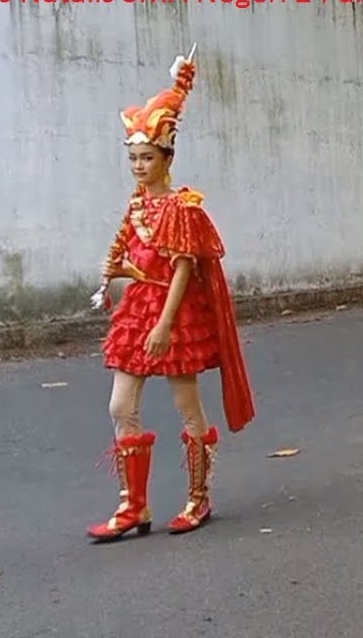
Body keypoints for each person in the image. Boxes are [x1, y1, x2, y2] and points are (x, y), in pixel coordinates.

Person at [87, 51, 256, 542]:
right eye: (133, 158)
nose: (139, 166)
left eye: (147, 158)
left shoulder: (182, 208)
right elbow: (140, 258)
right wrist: (121, 274)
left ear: (167, 158)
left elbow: (183, 267)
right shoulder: (137, 205)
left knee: (187, 405)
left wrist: (164, 324)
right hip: (137, 310)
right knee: (121, 406)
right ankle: (133, 505)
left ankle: (198, 497)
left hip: (171, 314)